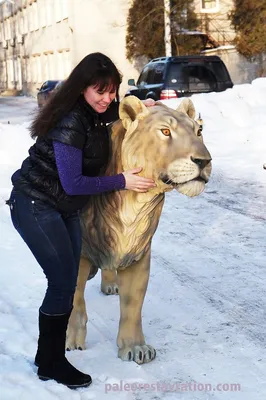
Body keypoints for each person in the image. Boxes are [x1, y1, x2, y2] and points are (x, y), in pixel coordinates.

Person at [6, 52, 156, 389]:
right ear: (82, 89)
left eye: (111, 91)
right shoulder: (72, 120)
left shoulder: (96, 116)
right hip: (35, 204)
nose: (107, 98)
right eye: (99, 91)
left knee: (70, 276)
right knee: (61, 281)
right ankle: (52, 360)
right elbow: (73, 182)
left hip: (65, 208)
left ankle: (49, 359)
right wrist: (122, 182)